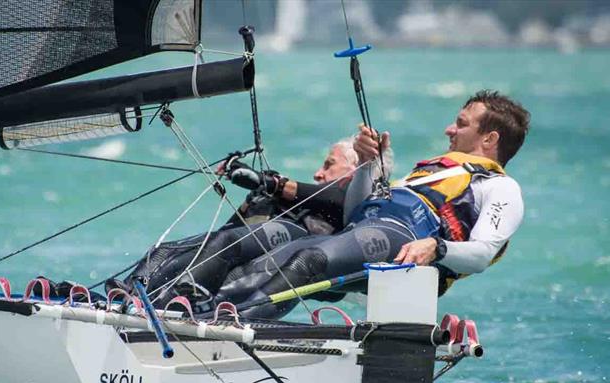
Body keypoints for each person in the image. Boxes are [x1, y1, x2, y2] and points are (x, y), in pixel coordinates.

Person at [211, 89, 531, 319]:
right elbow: (356, 214)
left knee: (308, 260)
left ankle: (232, 324)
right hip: (365, 234)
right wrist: (367, 163)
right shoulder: (427, 173)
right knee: (256, 259)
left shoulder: (500, 187)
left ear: (489, 139)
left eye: (461, 124)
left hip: (404, 254)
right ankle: (203, 312)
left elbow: (482, 253)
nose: (450, 129)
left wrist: (437, 247)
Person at [118, 138, 359, 310]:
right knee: (170, 250)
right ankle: (122, 297)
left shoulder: (352, 200)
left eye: (329, 164)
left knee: (226, 252)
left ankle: (162, 307)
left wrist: (267, 182)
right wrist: (254, 202)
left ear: (354, 171)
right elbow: (222, 239)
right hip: (255, 254)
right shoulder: (300, 202)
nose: (318, 172)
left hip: (287, 261)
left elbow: (329, 196)